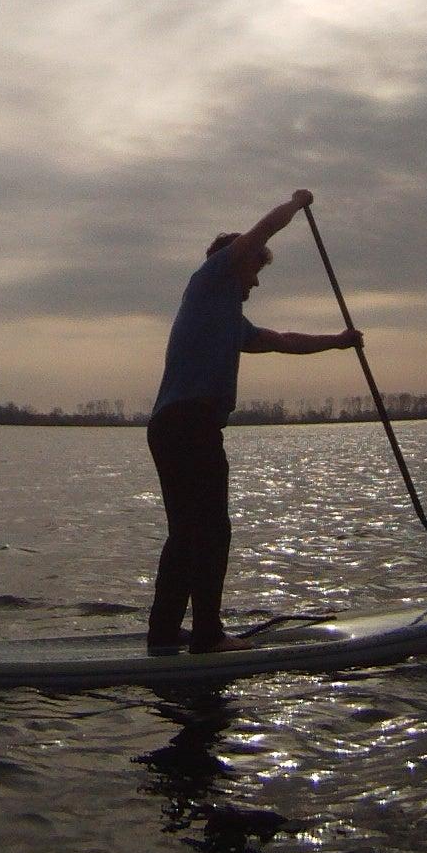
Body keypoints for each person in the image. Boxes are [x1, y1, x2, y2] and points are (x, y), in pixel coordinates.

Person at [145, 187, 361, 653]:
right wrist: (297, 205)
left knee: (187, 533)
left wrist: (338, 341)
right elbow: (263, 229)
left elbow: (283, 340)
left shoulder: (227, 318)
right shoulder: (210, 280)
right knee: (211, 530)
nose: (257, 282)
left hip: (177, 426)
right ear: (234, 260)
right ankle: (207, 635)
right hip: (187, 425)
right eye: (255, 268)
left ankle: (163, 635)